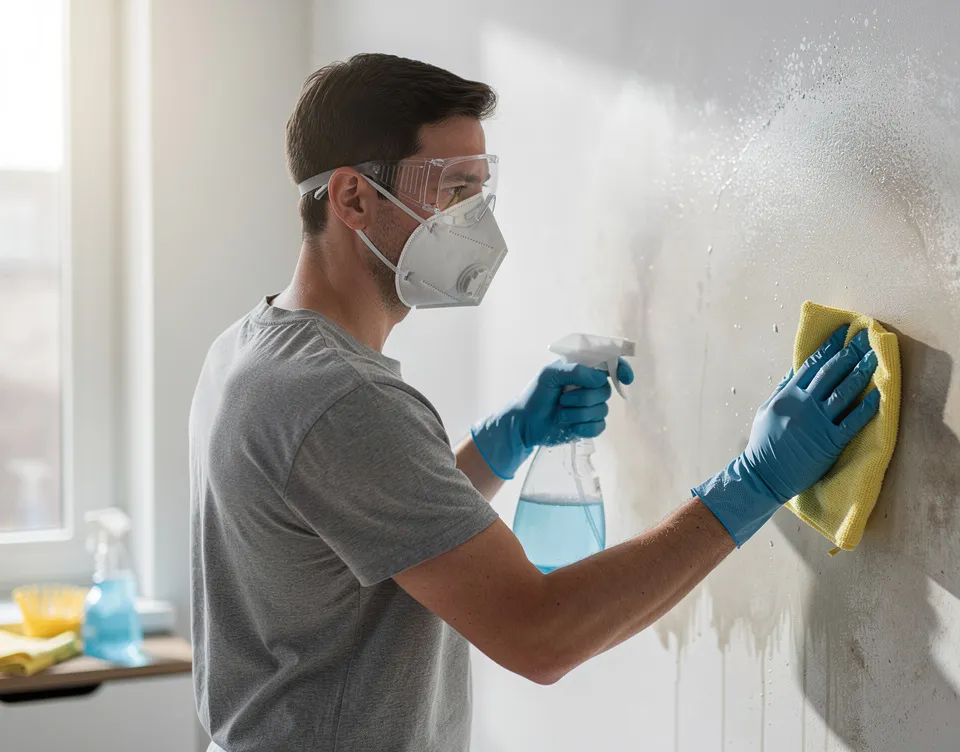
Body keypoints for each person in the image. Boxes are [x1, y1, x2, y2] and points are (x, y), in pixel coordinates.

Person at [187, 52, 881, 752]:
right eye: (454, 189)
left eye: (482, 192)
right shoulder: (344, 399)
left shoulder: (250, 350)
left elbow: (365, 535)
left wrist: (505, 440)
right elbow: (540, 632)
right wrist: (753, 483)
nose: (475, 221)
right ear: (353, 198)